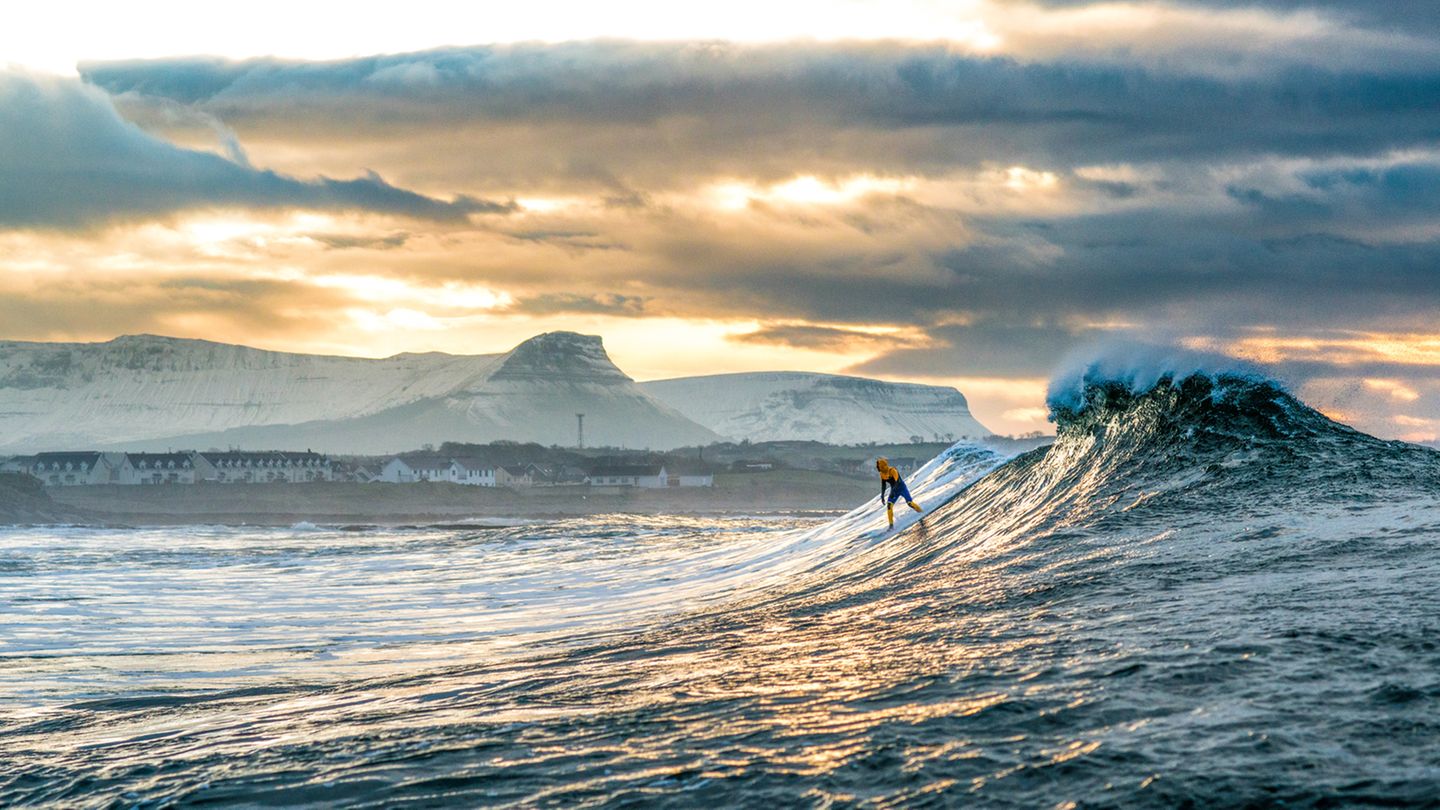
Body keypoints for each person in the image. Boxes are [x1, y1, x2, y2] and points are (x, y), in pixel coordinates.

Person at [876, 457, 922, 530]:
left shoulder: (892, 470)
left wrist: (893, 492)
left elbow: (897, 482)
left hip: (902, 488)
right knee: (889, 506)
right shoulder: (882, 474)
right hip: (894, 490)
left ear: (882, 466)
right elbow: (883, 485)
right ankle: (891, 526)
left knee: (910, 503)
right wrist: (882, 496)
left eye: (878, 466)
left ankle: (921, 513)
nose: (877, 468)